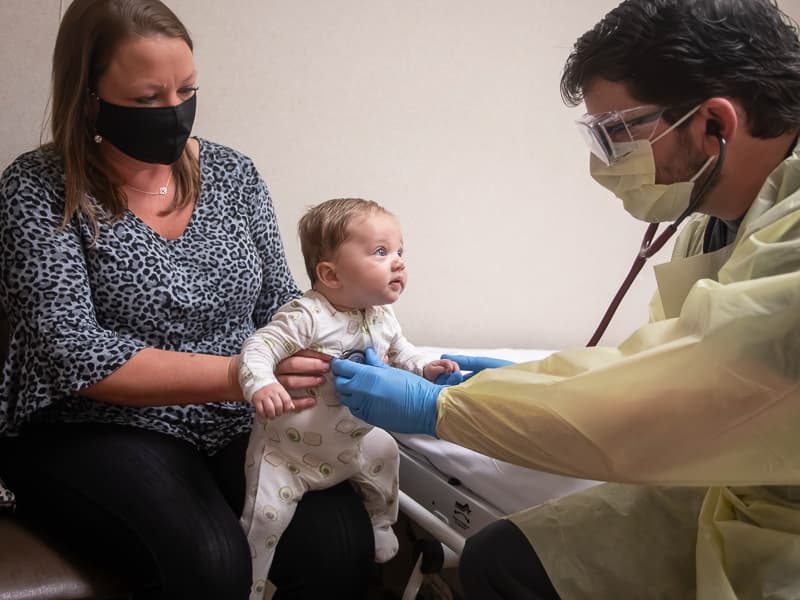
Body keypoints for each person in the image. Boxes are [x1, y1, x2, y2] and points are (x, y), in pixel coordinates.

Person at [330, 0, 800, 598]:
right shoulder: (716, 223)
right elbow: (662, 360)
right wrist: (513, 382)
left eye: (617, 132)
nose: (603, 160)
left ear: (713, 123)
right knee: (503, 558)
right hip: (739, 483)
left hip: (781, 510)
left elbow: (698, 389)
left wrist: (443, 410)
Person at [0, 1, 376, 598]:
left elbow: (279, 303)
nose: (174, 112)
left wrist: (338, 342)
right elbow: (73, 353)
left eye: (187, 89)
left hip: (239, 415)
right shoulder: (39, 189)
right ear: (88, 95)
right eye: (148, 99)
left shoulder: (234, 175)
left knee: (340, 547)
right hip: (98, 425)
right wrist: (243, 374)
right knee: (211, 563)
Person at [239, 197, 458, 598]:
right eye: (380, 252)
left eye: (399, 251)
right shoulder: (306, 316)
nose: (398, 262)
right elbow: (257, 349)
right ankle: (249, 584)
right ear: (331, 274)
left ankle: (379, 520)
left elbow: (402, 353)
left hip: (350, 444)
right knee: (264, 520)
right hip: (286, 454)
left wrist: (425, 368)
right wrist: (263, 384)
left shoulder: (381, 316)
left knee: (387, 450)